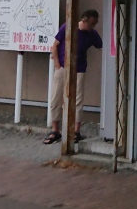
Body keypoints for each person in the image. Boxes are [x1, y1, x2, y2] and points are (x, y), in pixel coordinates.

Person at [44, 9, 103, 145]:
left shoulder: (92, 34)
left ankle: (76, 131)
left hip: (79, 69)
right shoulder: (67, 27)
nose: (93, 26)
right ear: (84, 20)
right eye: (92, 23)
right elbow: (55, 45)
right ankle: (55, 130)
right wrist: (57, 65)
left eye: (95, 24)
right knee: (56, 98)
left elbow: (102, 47)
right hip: (63, 67)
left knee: (77, 100)